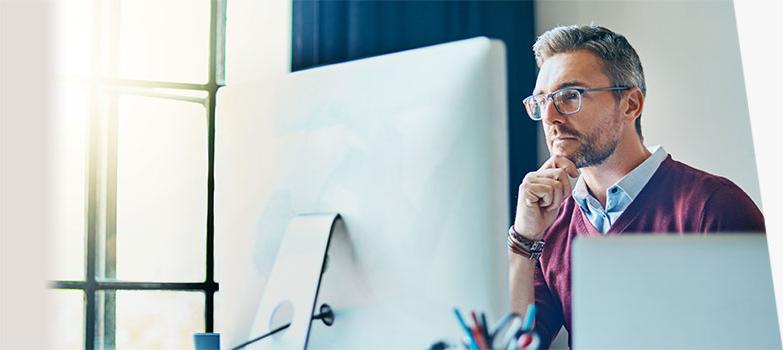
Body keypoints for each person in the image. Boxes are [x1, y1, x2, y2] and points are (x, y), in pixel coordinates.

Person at [507, 25, 765, 349]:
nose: (550, 116)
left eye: (570, 96)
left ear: (630, 104)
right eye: (542, 101)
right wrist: (524, 239)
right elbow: (513, 345)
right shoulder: (552, 223)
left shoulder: (713, 207)